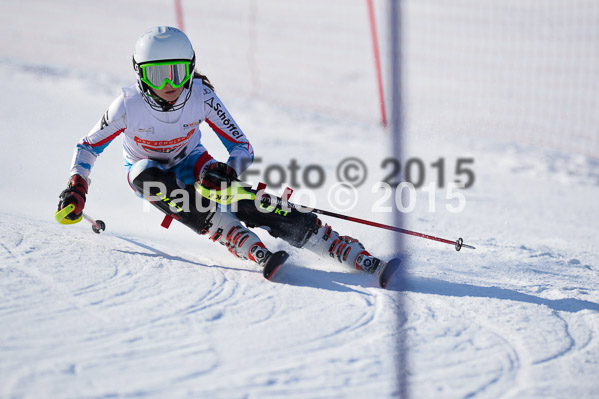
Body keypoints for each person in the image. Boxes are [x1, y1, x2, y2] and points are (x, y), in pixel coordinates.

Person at [57, 26, 385, 280]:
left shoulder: (201, 95)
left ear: (190, 69)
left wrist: (229, 171)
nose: (169, 84)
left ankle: (328, 242)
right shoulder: (128, 105)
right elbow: (88, 146)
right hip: (149, 174)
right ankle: (231, 234)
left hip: (192, 163)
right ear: (141, 75)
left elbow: (241, 146)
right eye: (157, 74)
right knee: (144, 172)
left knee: (232, 191)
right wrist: (77, 188)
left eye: (178, 72)